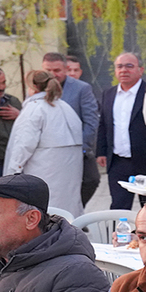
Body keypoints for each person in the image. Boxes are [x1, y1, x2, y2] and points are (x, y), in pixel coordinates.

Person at [3, 70, 85, 217]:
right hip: (68, 179)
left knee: (46, 213)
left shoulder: (34, 109)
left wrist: (10, 176)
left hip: (42, 174)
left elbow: (22, 145)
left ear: (33, 87)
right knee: (66, 213)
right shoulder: (66, 107)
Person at [41, 52, 101, 206]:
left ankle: (75, 209)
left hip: (78, 149)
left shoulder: (81, 88)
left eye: (57, 70)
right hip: (49, 152)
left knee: (91, 180)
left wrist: (82, 149)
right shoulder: (37, 89)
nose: (52, 74)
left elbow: (91, 122)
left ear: (65, 69)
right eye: (48, 70)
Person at [95, 52, 146, 210]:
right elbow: (104, 124)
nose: (124, 70)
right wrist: (101, 151)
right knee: (118, 206)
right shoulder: (109, 94)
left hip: (145, 159)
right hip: (118, 161)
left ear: (140, 70)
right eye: (119, 66)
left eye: (129, 66)